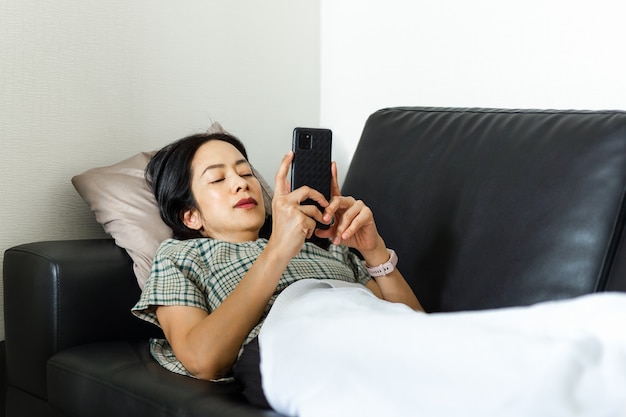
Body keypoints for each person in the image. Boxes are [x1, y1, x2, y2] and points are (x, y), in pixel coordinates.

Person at [131, 131, 423, 404]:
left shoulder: (326, 247)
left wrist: (374, 252)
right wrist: (278, 250)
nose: (242, 183)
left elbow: (417, 324)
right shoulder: (180, 255)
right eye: (218, 179)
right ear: (191, 216)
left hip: (368, 323)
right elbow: (203, 360)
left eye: (246, 173)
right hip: (297, 338)